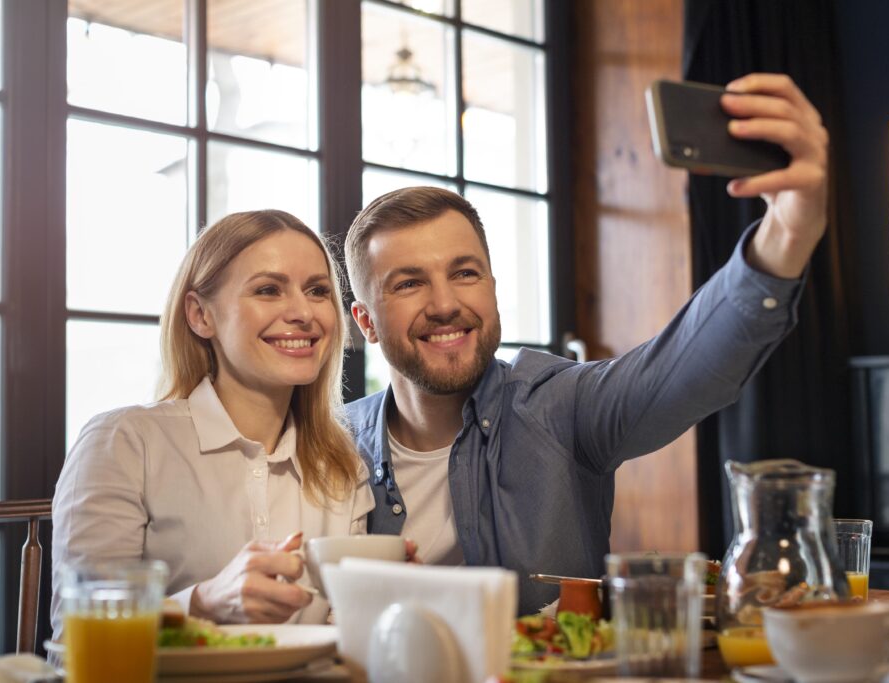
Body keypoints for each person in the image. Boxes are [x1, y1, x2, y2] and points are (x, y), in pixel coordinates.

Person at [343, 73, 829, 613]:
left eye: (465, 274)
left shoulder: (562, 406)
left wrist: (788, 230)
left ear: (492, 288)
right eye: (409, 283)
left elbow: (687, 364)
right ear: (365, 322)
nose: (444, 304)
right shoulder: (332, 445)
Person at [51, 209, 373, 636]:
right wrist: (203, 603)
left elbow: (346, 632)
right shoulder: (125, 444)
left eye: (317, 291)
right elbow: (79, 637)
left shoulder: (343, 467)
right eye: (269, 290)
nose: (304, 312)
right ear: (201, 316)